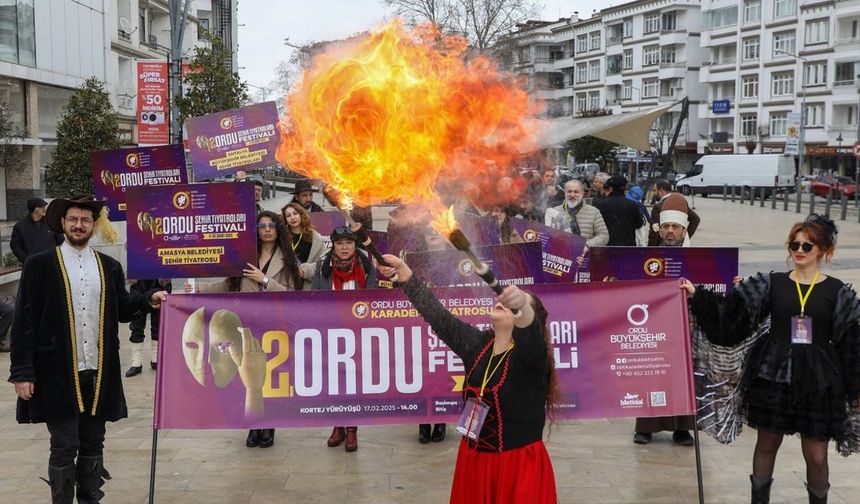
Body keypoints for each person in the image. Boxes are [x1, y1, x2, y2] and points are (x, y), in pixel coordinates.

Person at [684, 215, 860, 504]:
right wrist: (697, 295)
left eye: (808, 245)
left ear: (825, 250)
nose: (799, 250)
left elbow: (852, 345)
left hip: (819, 383)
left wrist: (856, 390)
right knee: (767, 444)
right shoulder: (770, 283)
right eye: (795, 244)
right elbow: (731, 320)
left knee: (816, 455)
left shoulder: (838, 292)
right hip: (772, 377)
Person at [7, 194, 168, 504]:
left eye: (85, 220)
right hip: (56, 371)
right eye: (73, 220)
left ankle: (90, 500)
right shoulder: (40, 265)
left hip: (99, 370)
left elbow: (122, 308)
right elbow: (25, 320)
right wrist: (22, 372)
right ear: (63, 224)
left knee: (94, 441)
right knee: (64, 443)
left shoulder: (108, 266)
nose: (78, 225)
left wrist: (150, 299)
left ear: (93, 226)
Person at [377, 254, 559, 503]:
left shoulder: (531, 357)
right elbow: (439, 318)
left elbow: (531, 335)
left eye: (514, 306)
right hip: (473, 460)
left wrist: (523, 306)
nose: (504, 303)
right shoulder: (478, 345)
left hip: (517, 467)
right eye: (506, 301)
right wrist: (405, 273)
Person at [194, 211, 303, 449]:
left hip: (274, 326)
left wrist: (265, 280)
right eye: (261, 225)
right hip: (246, 326)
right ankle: (253, 425)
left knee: (268, 377)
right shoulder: (244, 257)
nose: (266, 230)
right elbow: (226, 285)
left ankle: (269, 426)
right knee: (248, 377)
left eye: (270, 225)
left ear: (277, 229)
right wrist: (197, 288)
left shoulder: (288, 258)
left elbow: (293, 294)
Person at [631, 202, 696, 446]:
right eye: (666, 226)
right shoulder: (646, 258)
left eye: (675, 227)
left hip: (685, 325)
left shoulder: (696, 259)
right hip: (654, 324)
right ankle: (646, 427)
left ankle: (682, 429)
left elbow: (712, 290)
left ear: (683, 231)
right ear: (660, 230)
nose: (670, 231)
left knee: (684, 377)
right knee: (652, 375)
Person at [312, 226, 378, 452]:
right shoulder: (323, 265)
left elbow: (374, 301)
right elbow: (313, 299)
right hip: (330, 333)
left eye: (349, 243)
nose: (344, 248)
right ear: (333, 245)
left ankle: (352, 429)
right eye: (339, 243)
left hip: (358, 334)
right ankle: (337, 425)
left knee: (353, 384)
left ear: (355, 245)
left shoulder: (367, 266)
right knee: (334, 384)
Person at [544, 179, 609, 266]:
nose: (572, 195)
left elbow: (604, 236)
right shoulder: (555, 212)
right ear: (565, 193)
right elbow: (548, 237)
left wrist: (586, 246)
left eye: (576, 192)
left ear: (582, 194)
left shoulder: (594, 212)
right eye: (569, 191)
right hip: (561, 262)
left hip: (587, 261)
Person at [124, 278, 173, 377]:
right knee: (137, 320)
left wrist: (168, 272)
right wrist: (129, 272)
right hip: (139, 280)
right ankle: (136, 362)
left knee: (159, 322)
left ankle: (156, 359)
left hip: (159, 277)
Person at [281, 202, 326, 289]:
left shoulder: (315, 237)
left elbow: (323, 262)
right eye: (288, 215)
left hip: (311, 286)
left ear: (301, 214)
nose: (292, 218)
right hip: (288, 286)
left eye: (295, 213)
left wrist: (307, 270)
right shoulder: (282, 238)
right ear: (285, 219)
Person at [10, 197, 64, 264]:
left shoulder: (51, 222)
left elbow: (61, 241)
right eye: (41, 206)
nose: (44, 208)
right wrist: (25, 260)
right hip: (32, 265)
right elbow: (15, 246)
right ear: (33, 209)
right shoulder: (20, 226)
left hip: (52, 263)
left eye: (44, 206)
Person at [594, 175, 644, 246]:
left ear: (610, 189)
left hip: (607, 248)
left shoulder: (601, 205)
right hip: (628, 248)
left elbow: (596, 228)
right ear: (625, 189)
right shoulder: (633, 205)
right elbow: (639, 224)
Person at [648, 179, 700, 246]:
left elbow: (655, 232)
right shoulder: (680, 203)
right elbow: (695, 219)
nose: (654, 193)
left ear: (660, 191)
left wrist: (651, 250)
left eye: (655, 190)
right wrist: (681, 238)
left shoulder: (658, 207)